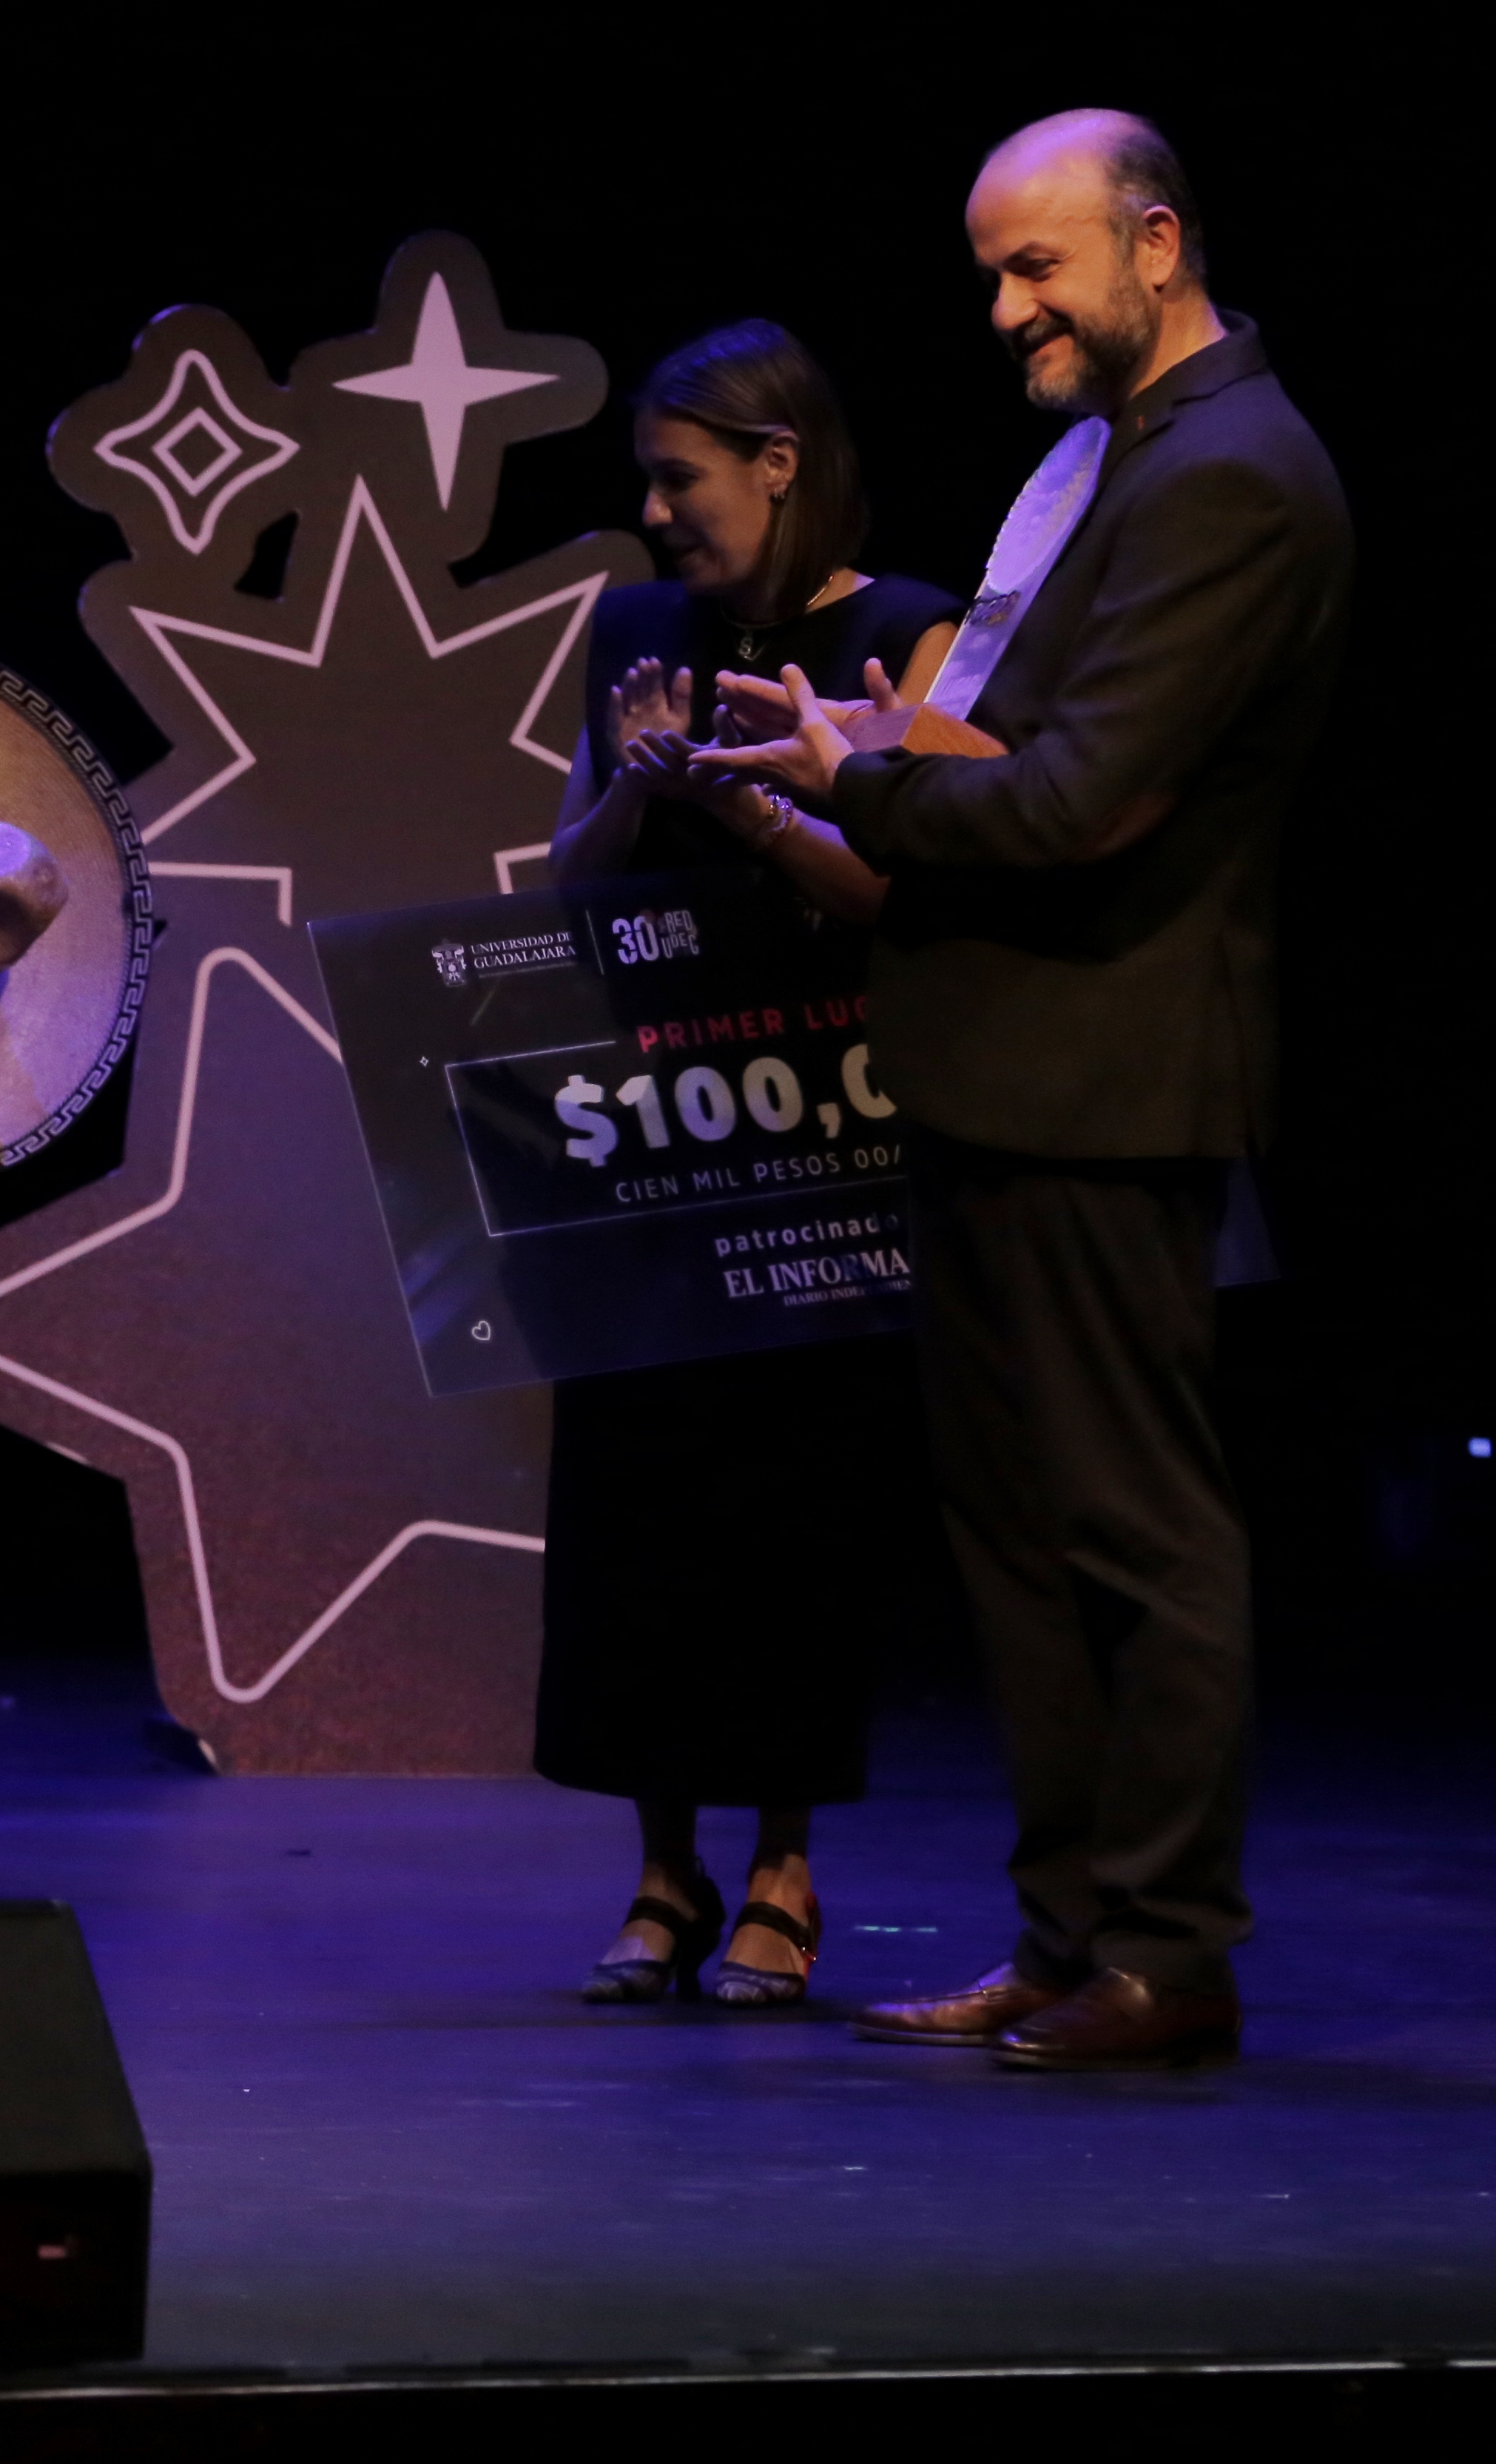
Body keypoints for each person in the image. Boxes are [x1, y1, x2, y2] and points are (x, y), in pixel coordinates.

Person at [700, 112, 1351, 2070]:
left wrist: (865, 781)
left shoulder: (1234, 472)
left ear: (1157, 245)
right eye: (992, 274)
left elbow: (1078, 805)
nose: (1005, 309)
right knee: (1025, 1539)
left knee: (1135, 1531)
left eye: (1039, 267)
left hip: (1107, 1073)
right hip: (1002, 1062)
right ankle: (1069, 1939)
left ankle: (1168, 1950)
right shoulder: (1114, 457)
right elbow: (1014, 739)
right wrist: (879, 740)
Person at [537, 322, 957, 2007]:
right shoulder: (632, 633)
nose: (653, 514)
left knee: (797, 1495)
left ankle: (781, 1868)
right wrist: (639, 793)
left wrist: (753, 810)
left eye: (678, 479)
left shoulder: (898, 628)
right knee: (638, 1494)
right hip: (656, 1127)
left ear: (775, 467)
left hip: (821, 1133)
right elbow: (564, 882)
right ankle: (661, 1873)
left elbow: (909, 890)